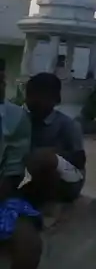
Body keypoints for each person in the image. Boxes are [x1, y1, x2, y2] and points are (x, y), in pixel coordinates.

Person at [0, 63, 43, 268]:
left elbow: (13, 172)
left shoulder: (15, 118)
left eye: (1, 81)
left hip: (2, 197)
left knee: (29, 246)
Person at [21, 73, 86, 209]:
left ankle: (48, 209)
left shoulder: (67, 124)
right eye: (30, 95)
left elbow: (80, 159)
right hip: (32, 175)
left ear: (55, 99)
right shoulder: (24, 120)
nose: (33, 100)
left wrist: (53, 156)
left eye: (40, 96)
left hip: (67, 180)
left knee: (44, 158)